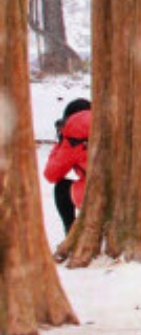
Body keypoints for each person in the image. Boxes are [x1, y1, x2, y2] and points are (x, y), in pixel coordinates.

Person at [43, 98, 91, 233]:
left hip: (95, 195)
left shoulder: (73, 135)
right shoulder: (109, 124)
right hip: (132, 194)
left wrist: (61, 143)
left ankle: (71, 233)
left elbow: (51, 174)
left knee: (61, 188)